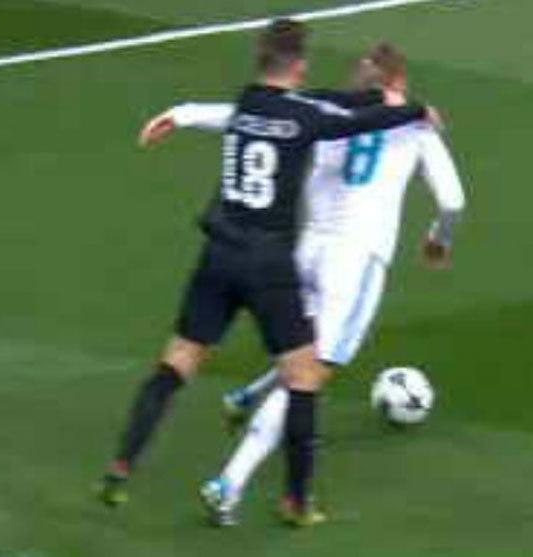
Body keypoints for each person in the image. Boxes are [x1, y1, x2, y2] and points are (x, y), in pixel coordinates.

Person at [97, 19, 437, 528]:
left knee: (176, 364)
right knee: (304, 377)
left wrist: (181, 114)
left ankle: (121, 467)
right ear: (298, 65)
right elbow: (348, 120)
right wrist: (413, 110)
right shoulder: (304, 117)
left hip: (218, 254)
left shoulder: (247, 104)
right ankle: (296, 502)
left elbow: (271, 108)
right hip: (268, 264)